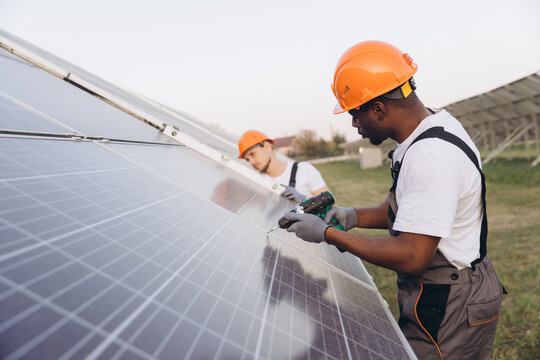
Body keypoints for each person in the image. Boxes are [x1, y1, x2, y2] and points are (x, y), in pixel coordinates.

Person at [281, 40, 505, 359]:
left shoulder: (432, 156)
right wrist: (353, 215)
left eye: (355, 115)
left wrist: (329, 235)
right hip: (446, 289)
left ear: (379, 109)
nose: (354, 125)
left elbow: (413, 255)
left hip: (452, 299)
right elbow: (416, 207)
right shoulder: (428, 128)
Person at [238, 129, 330, 202]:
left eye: (252, 154)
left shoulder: (303, 169)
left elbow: (332, 205)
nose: (251, 162)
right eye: (247, 160)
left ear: (267, 147)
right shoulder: (259, 184)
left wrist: (304, 200)